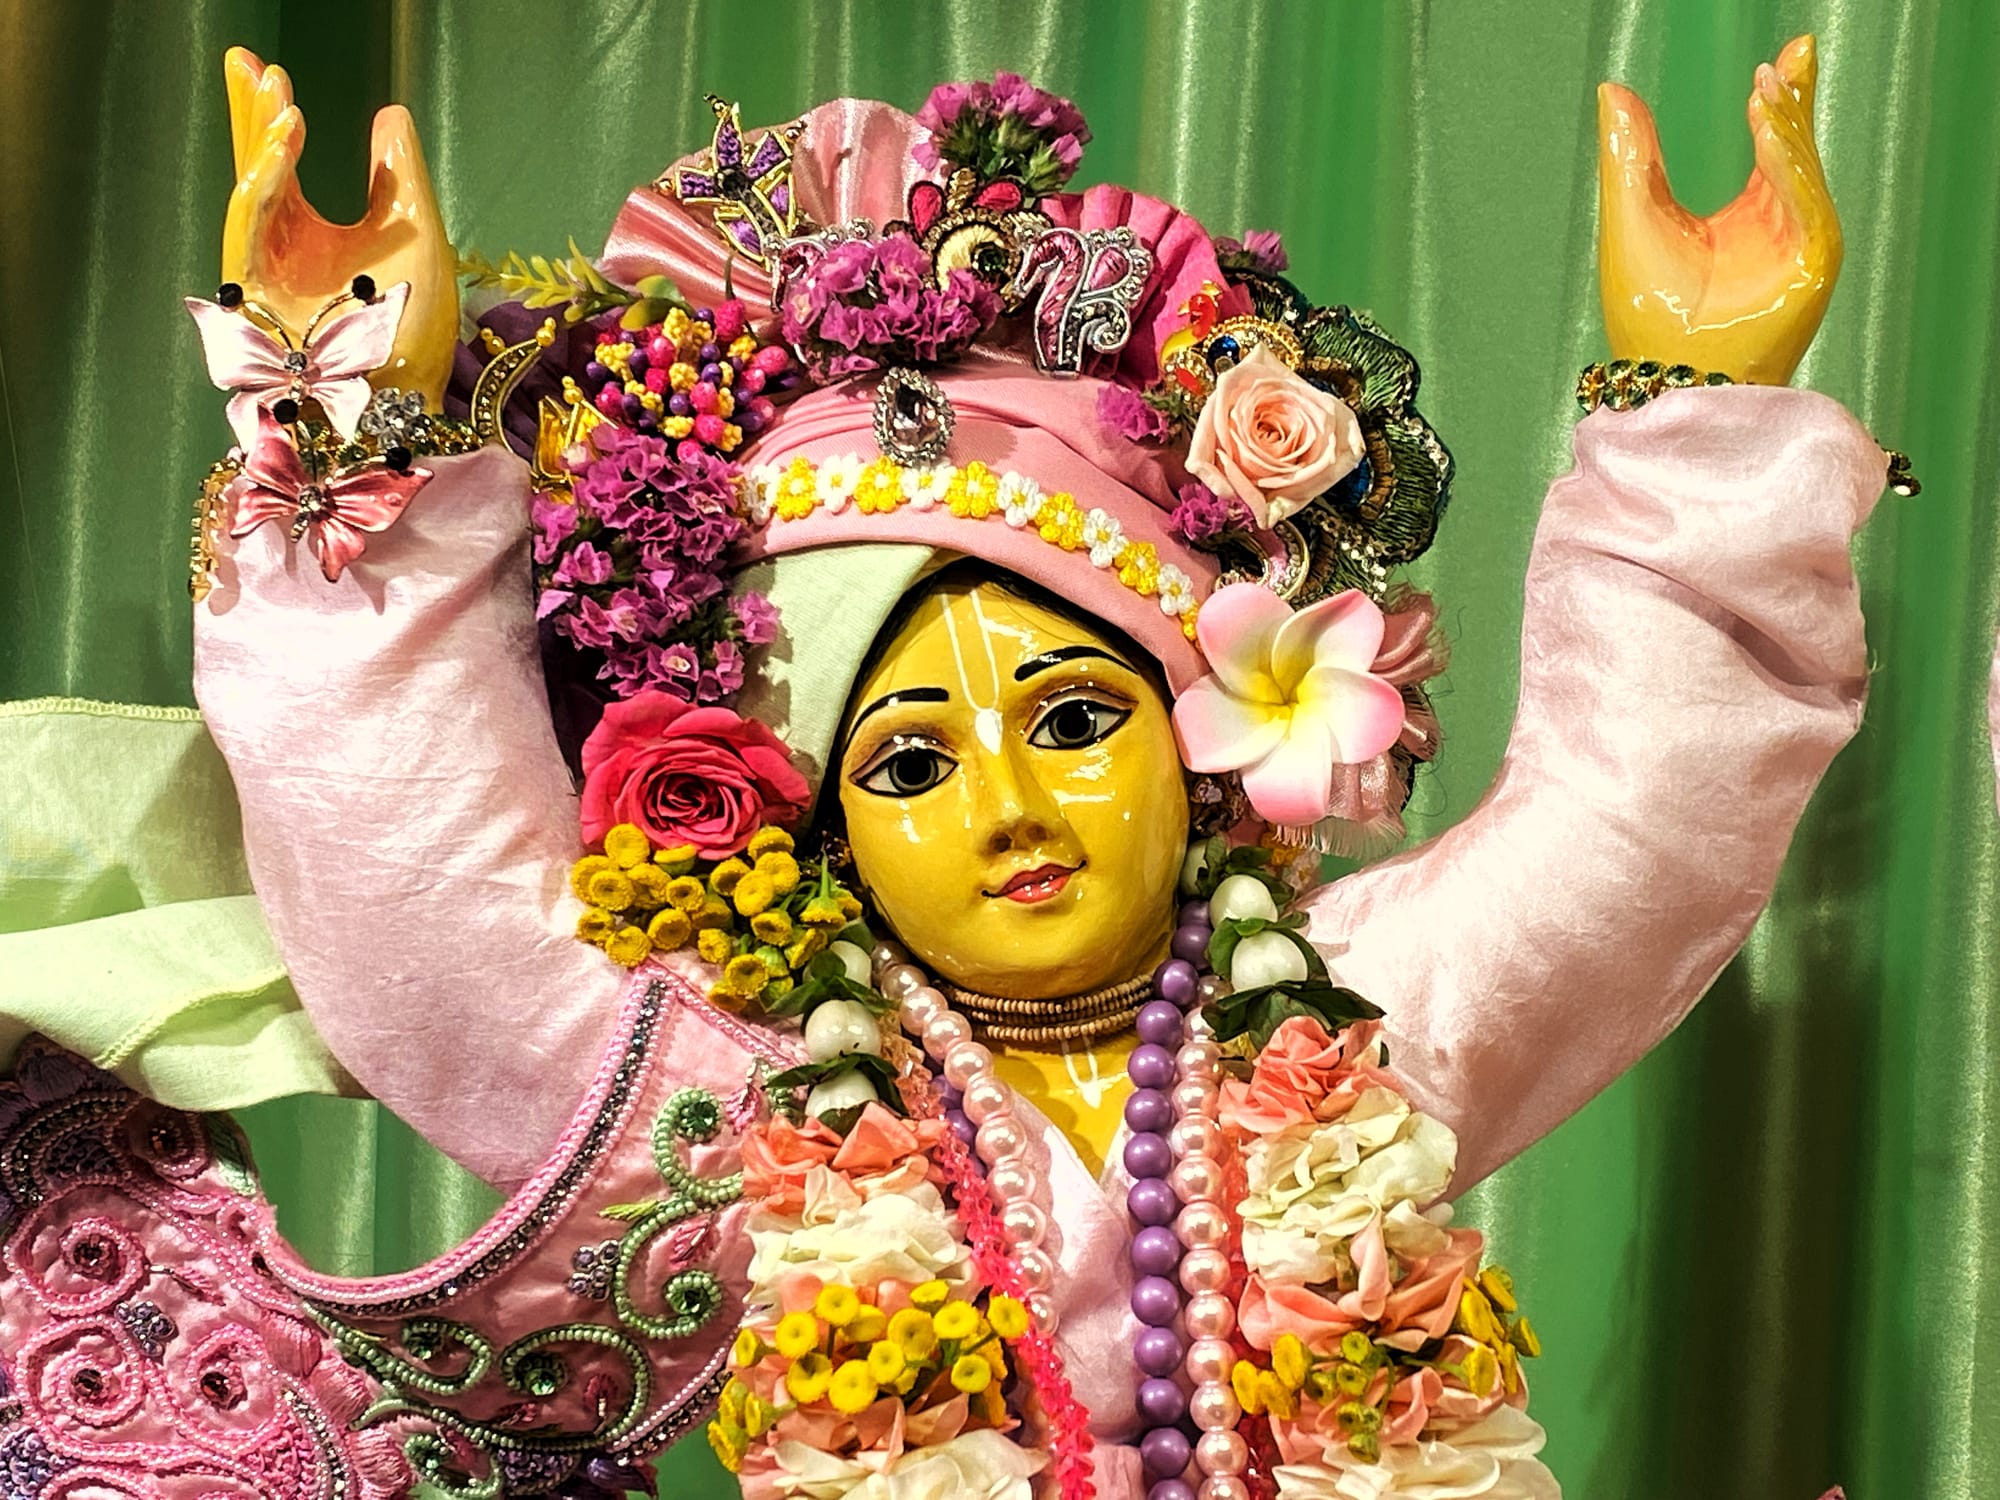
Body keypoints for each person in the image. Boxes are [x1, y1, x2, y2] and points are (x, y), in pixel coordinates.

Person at [0, 38, 1899, 1500]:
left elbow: (1635, 825)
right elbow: (414, 884)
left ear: (1206, 741)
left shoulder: (1344, 1025)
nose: (1007, 802)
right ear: (813, 819)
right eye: (907, 759)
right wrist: (350, 402)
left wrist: (1698, 405)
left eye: (1073, 720)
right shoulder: (744, 1109)